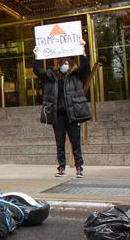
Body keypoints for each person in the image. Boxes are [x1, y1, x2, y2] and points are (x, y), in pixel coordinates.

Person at [33, 40, 90, 179]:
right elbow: (37, 70)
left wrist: (83, 51)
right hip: (57, 115)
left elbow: (86, 67)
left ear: (70, 65)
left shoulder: (76, 76)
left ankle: (79, 167)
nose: (64, 66)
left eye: (66, 63)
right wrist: (36, 56)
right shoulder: (50, 77)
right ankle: (61, 167)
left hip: (73, 114)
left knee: (75, 142)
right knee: (60, 143)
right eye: (62, 63)